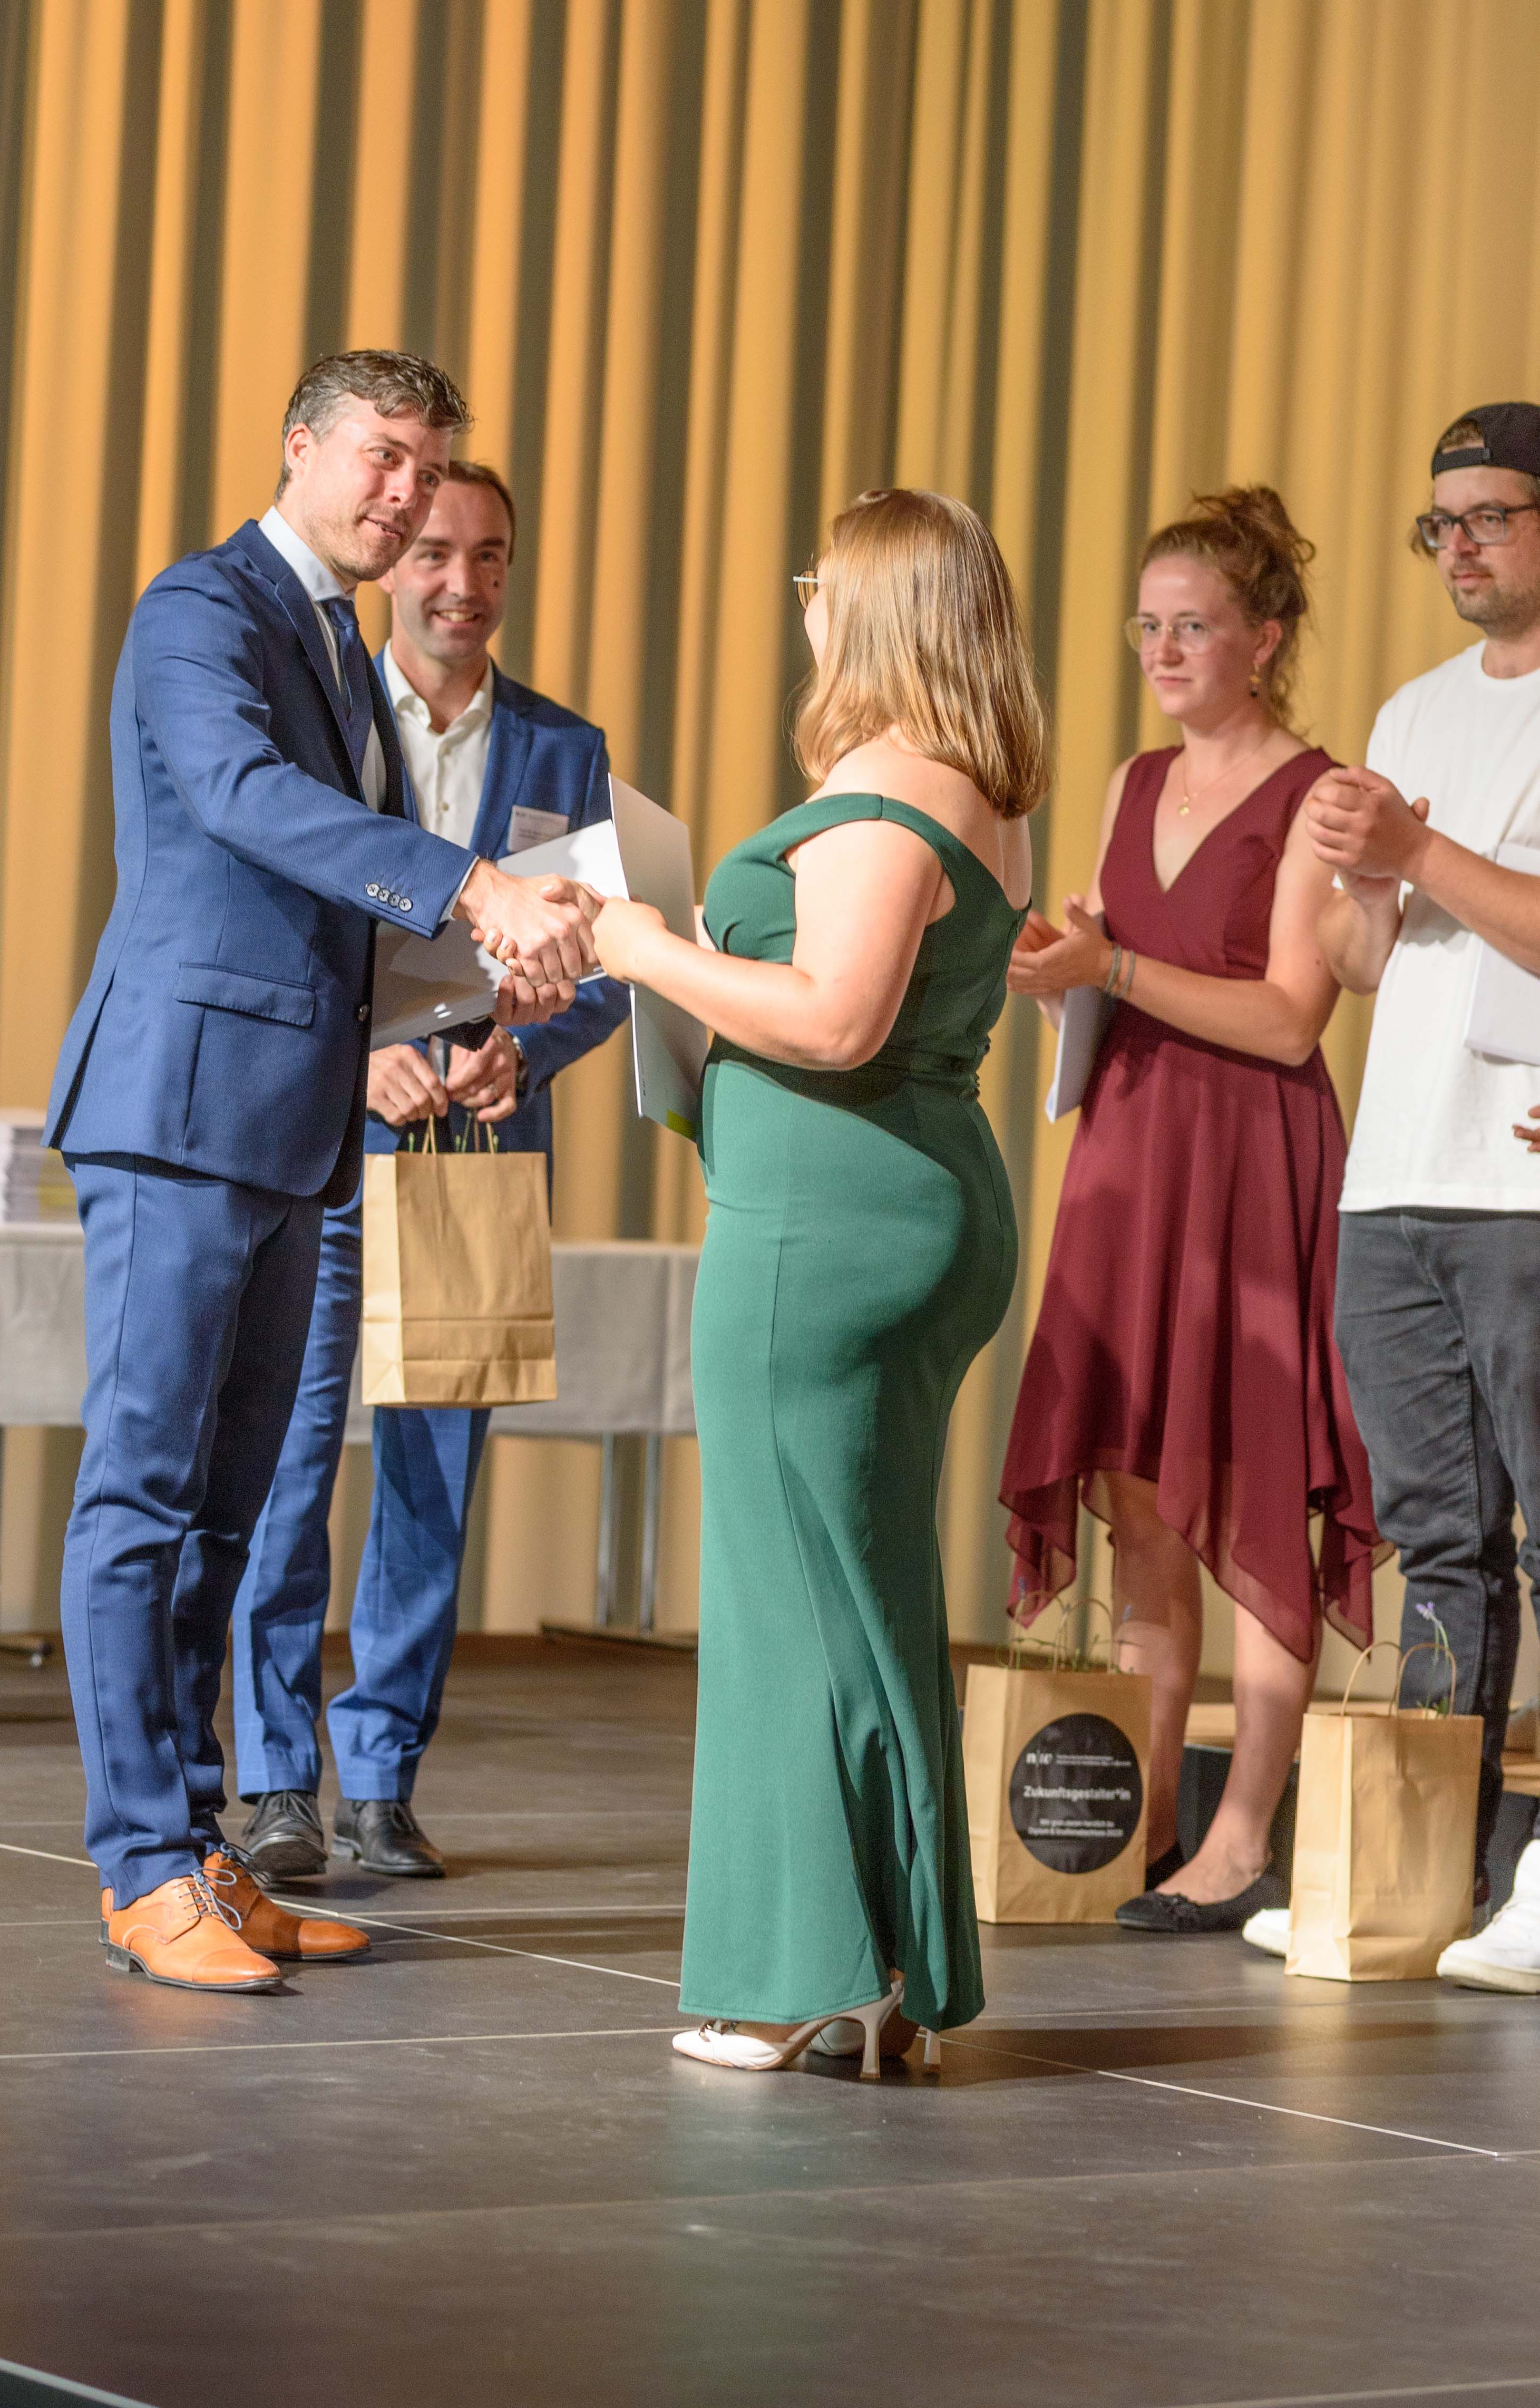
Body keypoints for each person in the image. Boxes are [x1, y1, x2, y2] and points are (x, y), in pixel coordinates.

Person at [45, 349, 599, 1995]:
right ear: (301, 446)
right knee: (144, 1499)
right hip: (179, 1109)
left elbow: (343, 910)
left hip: (299, 1130)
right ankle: (139, 1867)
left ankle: (202, 1849)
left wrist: (501, 1007)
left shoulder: (343, 648)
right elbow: (242, 799)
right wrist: (474, 886)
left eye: (428, 467)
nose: (406, 494)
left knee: (226, 1514)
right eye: (383, 457)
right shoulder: (200, 609)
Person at [589, 489, 1045, 2075]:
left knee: (784, 1596)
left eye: (820, 580)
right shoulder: (974, 782)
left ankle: (794, 1981)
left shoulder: (886, 788)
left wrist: (643, 948)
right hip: (899, 1202)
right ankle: (889, 1970)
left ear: (877, 607)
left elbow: (838, 1019)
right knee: (862, 1586)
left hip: (824, 1226)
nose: (803, 601)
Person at [232, 460, 629, 1881]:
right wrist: (357, 1057)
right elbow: (272, 920)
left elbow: (603, 964)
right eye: (438, 553)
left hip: (477, 1157)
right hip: (330, 1151)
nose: (465, 583)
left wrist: (535, 1046)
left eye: (492, 555)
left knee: (432, 1482)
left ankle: (384, 1777)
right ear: (392, 563)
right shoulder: (326, 719)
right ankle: (277, 1778)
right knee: (286, 1465)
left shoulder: (564, 751)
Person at [1000, 486, 1379, 1936]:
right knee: (1146, 1511)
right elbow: (1116, 968)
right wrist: (1065, 967)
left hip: (1251, 1166)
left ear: (1263, 640)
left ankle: (1241, 1835)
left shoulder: (1313, 793)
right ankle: (1146, 1825)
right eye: (1147, 625)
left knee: (1256, 1487)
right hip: (1132, 1155)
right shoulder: (1131, 782)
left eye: (1193, 626)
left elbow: (1288, 1017)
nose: (1161, 650)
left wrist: (1109, 971)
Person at [1306, 403, 1540, 1993]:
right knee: (1436, 1541)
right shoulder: (1411, 706)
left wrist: (1420, 848)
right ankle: (1426, 1873)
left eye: (1491, 517)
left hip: (1520, 1180)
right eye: (1439, 524)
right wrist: (1359, 870)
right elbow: (1357, 961)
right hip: (1394, 1178)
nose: (1458, 547)